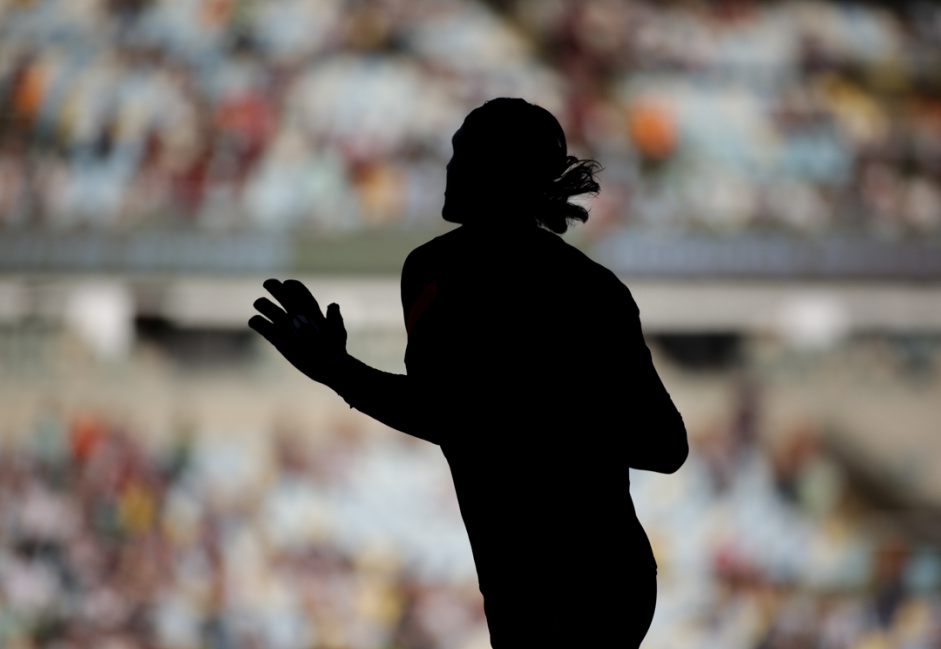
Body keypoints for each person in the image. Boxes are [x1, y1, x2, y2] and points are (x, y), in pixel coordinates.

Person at [249, 98, 688, 648]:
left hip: (581, 582)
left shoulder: (549, 288)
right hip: (540, 579)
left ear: (505, 174)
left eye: (466, 155)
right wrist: (338, 370)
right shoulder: (460, 273)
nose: (451, 168)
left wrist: (340, 372)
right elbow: (453, 413)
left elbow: (666, 446)